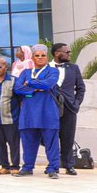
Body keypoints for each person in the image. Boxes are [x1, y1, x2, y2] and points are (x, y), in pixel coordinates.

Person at [14, 44, 62, 178]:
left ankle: (53, 169)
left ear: (47, 57)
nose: (40, 58)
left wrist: (29, 83)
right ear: (32, 57)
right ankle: (28, 167)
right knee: (28, 142)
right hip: (29, 113)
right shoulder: (25, 72)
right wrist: (36, 87)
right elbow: (17, 89)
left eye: (43, 55)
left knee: (51, 142)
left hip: (48, 112)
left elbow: (48, 85)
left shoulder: (53, 71)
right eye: (37, 55)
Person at [53, 43, 86, 175]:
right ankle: (53, 163)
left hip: (69, 107)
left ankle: (68, 165)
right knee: (49, 137)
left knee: (68, 137)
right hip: (51, 107)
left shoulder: (74, 68)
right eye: (67, 52)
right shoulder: (46, 67)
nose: (69, 54)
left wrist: (76, 103)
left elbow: (81, 88)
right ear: (57, 53)